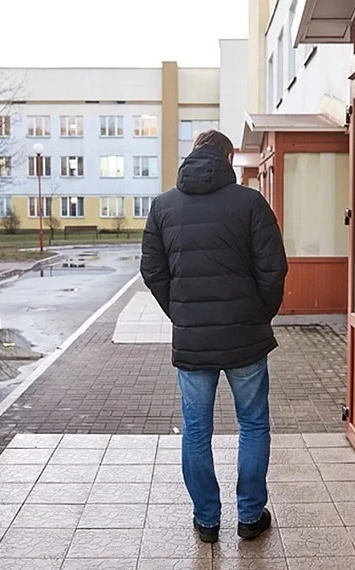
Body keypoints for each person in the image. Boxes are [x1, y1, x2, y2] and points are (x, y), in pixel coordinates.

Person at [140, 129, 287, 543]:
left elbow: (152, 271)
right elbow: (273, 268)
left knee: (196, 430)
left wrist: (182, 313)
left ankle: (207, 521)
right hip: (246, 337)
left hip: (193, 343)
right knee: (254, 424)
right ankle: (249, 516)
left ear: (193, 155)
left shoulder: (163, 206)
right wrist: (259, 314)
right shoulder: (251, 203)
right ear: (227, 157)